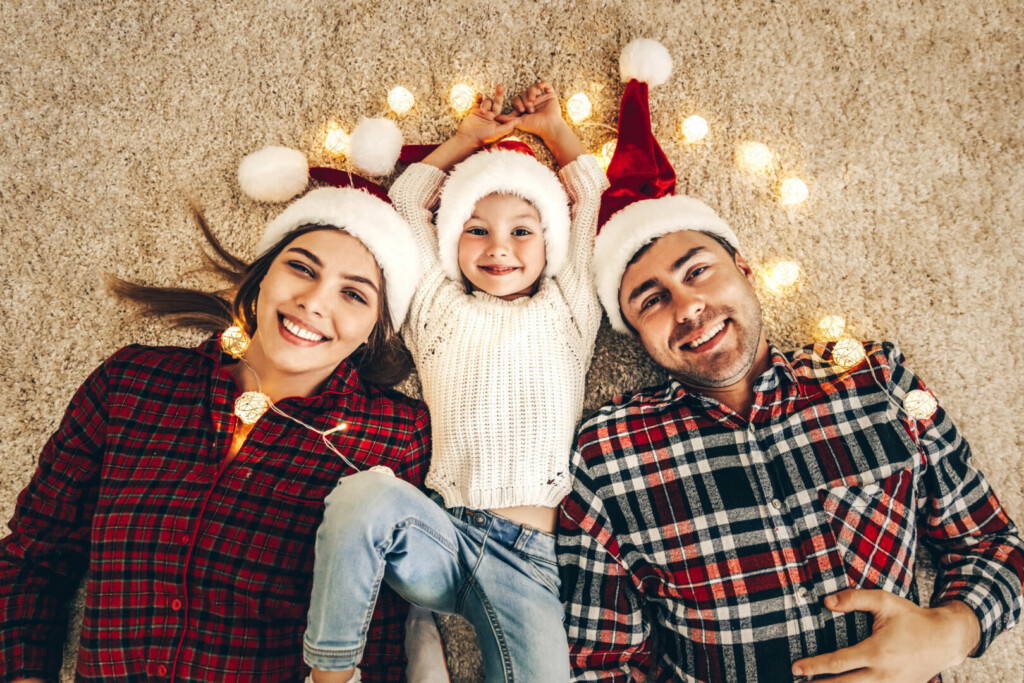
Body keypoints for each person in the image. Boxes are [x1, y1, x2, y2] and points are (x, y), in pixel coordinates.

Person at [557, 39, 1024, 681]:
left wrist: (951, 631)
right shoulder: (608, 451)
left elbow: (992, 545)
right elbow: (600, 663)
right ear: (634, 333)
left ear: (746, 272)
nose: (688, 306)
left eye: (700, 272)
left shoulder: (875, 377)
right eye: (652, 300)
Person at [0, 138, 431, 682]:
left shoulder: (394, 437)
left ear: (375, 330)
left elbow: (381, 629)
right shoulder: (132, 383)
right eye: (302, 268)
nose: (315, 302)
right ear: (263, 275)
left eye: (354, 295)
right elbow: (33, 556)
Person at [302, 82, 609, 682]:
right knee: (362, 496)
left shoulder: (570, 309)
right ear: (451, 242)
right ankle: (332, 673)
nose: (499, 248)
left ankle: (420, 630)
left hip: (529, 557)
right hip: (440, 531)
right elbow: (409, 198)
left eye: (522, 231)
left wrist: (555, 132)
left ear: (552, 242)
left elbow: (591, 194)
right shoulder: (437, 307)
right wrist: (467, 139)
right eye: (476, 230)